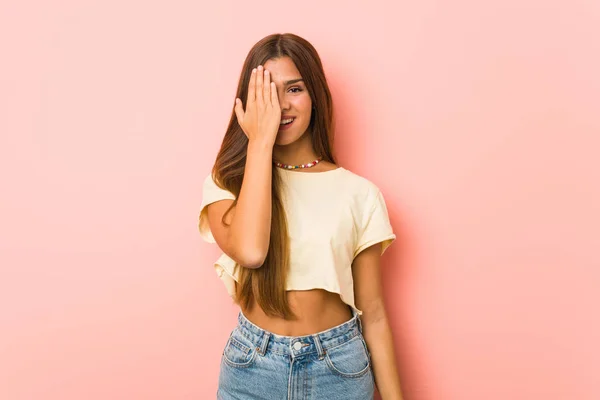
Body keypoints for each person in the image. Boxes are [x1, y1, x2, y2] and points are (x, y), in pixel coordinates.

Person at [199, 33, 404, 400]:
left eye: (294, 89)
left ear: (316, 96)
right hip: (252, 369)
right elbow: (251, 251)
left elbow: (373, 315)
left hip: (338, 369)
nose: (281, 106)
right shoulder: (228, 183)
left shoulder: (360, 195)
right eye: (268, 92)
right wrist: (259, 142)